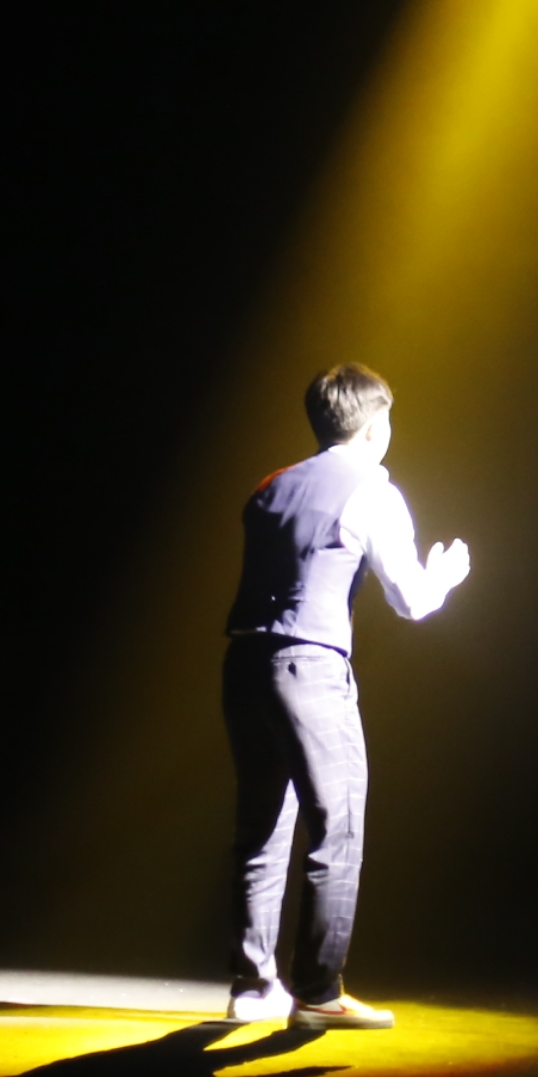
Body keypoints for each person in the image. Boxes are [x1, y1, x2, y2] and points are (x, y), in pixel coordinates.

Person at [220, 363, 470, 1030]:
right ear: (375, 425)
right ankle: (319, 989)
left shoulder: (269, 486)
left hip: (244, 662)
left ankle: (253, 985)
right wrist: (446, 577)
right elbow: (411, 600)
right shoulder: (373, 490)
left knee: (262, 826)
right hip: (309, 666)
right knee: (338, 825)